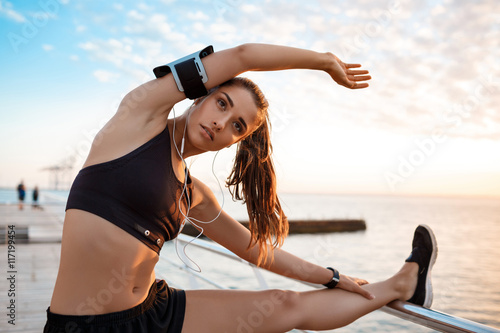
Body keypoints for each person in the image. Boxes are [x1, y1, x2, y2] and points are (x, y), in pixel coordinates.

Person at [44, 43, 437, 332]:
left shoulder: (191, 193)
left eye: (237, 125)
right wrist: (323, 62)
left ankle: (402, 284)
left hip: (153, 314)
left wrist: (331, 277)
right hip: (79, 325)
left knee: (283, 305)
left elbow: (259, 254)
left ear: (236, 142)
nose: (222, 122)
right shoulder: (138, 119)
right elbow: (244, 55)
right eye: (222, 103)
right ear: (202, 96)